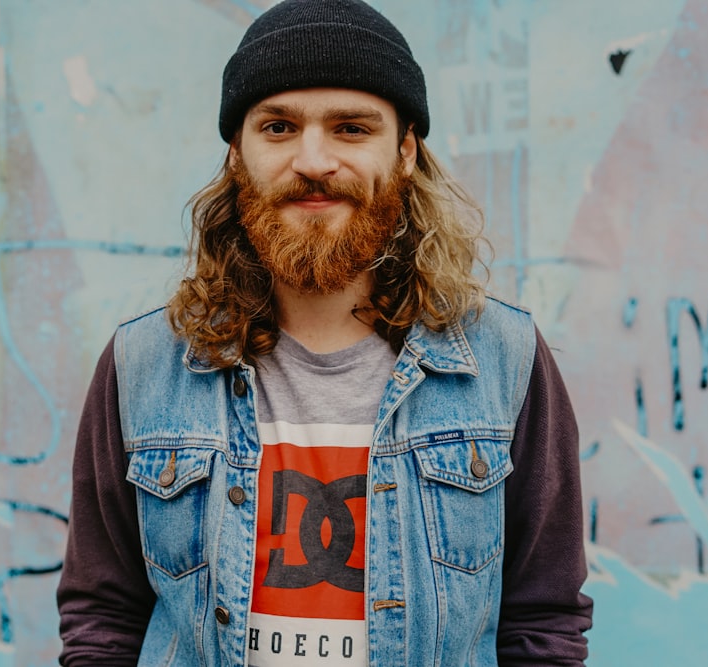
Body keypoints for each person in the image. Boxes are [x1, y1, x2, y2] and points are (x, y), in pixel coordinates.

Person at [57, 0, 593, 665]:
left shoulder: (502, 360)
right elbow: (102, 616)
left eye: (350, 128)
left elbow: (542, 622)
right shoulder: (144, 364)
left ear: (403, 151)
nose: (314, 160)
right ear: (237, 154)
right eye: (279, 126)